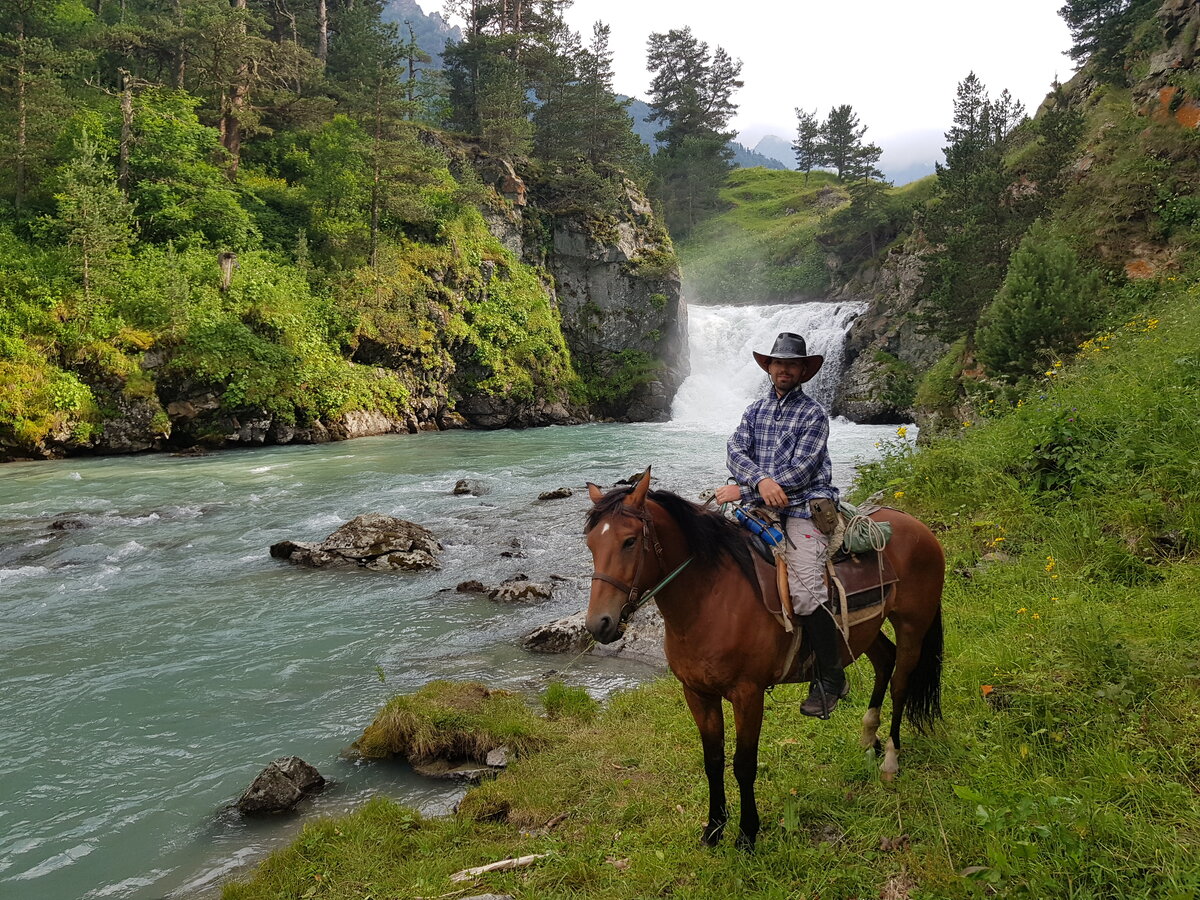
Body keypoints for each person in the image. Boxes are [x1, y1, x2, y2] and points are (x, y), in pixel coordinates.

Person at [713, 332, 848, 719]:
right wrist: (757, 483)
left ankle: (831, 677)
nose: (783, 369)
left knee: (805, 587)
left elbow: (804, 470)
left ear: (803, 370)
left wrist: (751, 486)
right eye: (777, 363)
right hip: (758, 499)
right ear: (769, 368)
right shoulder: (754, 411)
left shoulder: (814, 414)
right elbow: (735, 450)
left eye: (791, 364)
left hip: (804, 506)